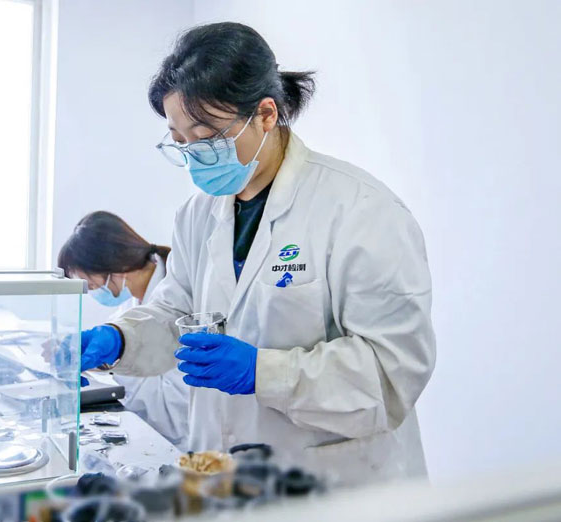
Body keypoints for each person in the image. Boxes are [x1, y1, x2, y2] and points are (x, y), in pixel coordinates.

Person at [76, 22, 436, 488]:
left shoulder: (361, 210)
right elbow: (176, 314)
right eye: (180, 141)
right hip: (226, 476)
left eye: (207, 135)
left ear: (266, 114)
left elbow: (392, 374)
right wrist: (121, 338)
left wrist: (262, 372)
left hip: (338, 483)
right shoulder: (197, 215)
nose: (194, 154)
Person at [57, 211, 189, 449]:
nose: (94, 293)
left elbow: (175, 407)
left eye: (93, 286)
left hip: (184, 440)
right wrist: (90, 359)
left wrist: (114, 367)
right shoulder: (132, 305)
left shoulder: (181, 300)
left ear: (115, 267)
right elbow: (121, 345)